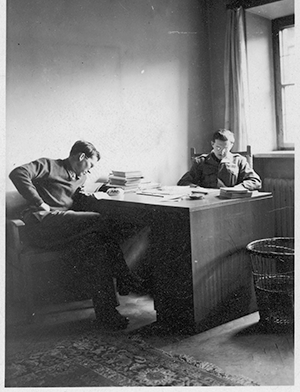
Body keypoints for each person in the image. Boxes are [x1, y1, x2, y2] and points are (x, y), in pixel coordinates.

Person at [9, 140, 144, 330]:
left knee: (97, 245)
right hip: (43, 227)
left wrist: (104, 190)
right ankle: (124, 275)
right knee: (101, 220)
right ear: (81, 157)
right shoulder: (49, 165)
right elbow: (18, 173)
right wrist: (38, 201)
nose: (88, 172)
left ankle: (107, 314)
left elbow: (76, 198)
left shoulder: (79, 177)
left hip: (64, 229)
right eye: (90, 165)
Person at [177, 129, 261, 190]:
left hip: (231, 202)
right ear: (212, 144)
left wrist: (238, 188)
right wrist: (198, 189)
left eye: (226, 148)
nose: (222, 152)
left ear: (231, 145)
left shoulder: (239, 161)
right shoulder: (201, 162)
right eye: (218, 147)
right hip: (207, 203)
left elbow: (255, 181)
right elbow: (183, 182)